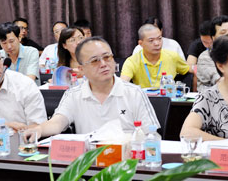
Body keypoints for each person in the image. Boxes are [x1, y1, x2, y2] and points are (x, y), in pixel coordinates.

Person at [25, 37, 159, 138]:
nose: (103, 64)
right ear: (81, 69)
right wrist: (39, 129)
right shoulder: (74, 95)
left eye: (107, 57)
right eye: (95, 61)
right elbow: (57, 123)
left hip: (127, 160)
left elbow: (151, 134)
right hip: (90, 161)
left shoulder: (134, 93)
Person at [120, 24, 189, 88]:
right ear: (141, 43)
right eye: (151, 40)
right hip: (143, 96)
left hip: (167, 96)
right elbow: (123, 83)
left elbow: (189, 70)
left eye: (159, 38)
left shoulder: (172, 56)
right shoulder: (132, 61)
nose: (157, 43)